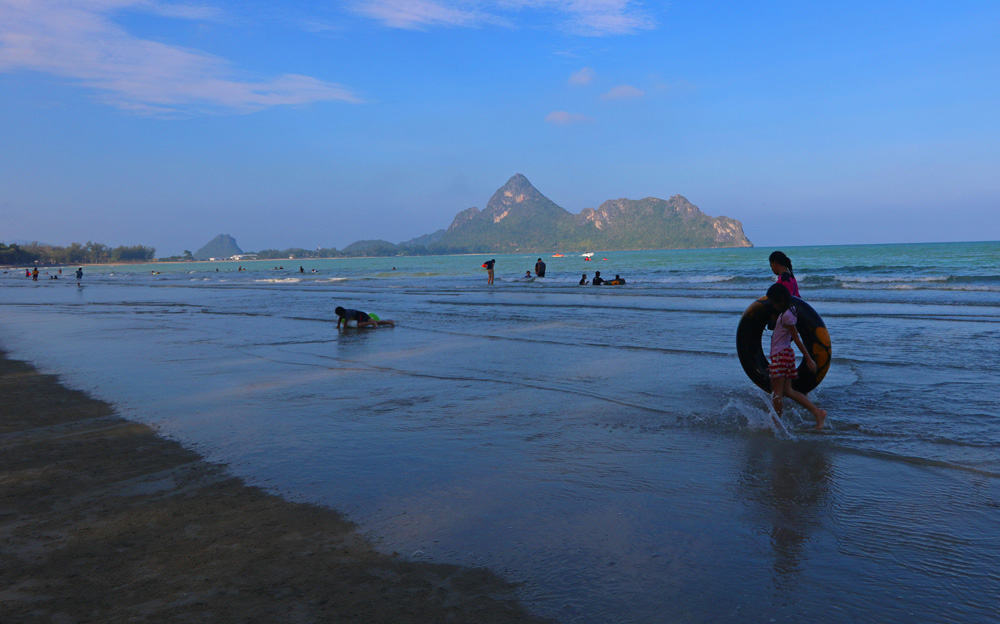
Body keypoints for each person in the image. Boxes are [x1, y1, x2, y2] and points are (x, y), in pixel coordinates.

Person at [765, 284, 826, 430]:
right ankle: (817, 412)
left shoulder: (787, 315)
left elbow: (796, 338)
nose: (772, 305)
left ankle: (777, 424)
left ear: (779, 301)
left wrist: (809, 358)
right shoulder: (787, 313)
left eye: (773, 302)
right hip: (783, 355)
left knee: (777, 392)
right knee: (787, 391)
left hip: (781, 355)